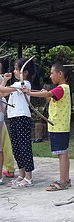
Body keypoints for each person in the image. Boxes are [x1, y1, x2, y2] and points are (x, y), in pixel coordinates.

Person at [23, 62, 72, 191]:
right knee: (63, 154)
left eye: (52, 73)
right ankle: (65, 180)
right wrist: (47, 95)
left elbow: (48, 94)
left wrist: (29, 93)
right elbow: (51, 97)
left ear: (60, 74)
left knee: (62, 154)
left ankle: (62, 181)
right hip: (60, 126)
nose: (50, 76)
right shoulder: (62, 89)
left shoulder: (61, 88)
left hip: (59, 126)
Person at [0, 58, 36, 188]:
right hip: (13, 117)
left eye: (16, 69)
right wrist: (5, 79)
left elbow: (2, 90)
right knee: (17, 147)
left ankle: (28, 176)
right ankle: (21, 175)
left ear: (24, 72)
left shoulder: (23, 83)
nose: (14, 71)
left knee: (24, 146)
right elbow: (1, 92)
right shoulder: (15, 85)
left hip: (22, 117)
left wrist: (4, 81)